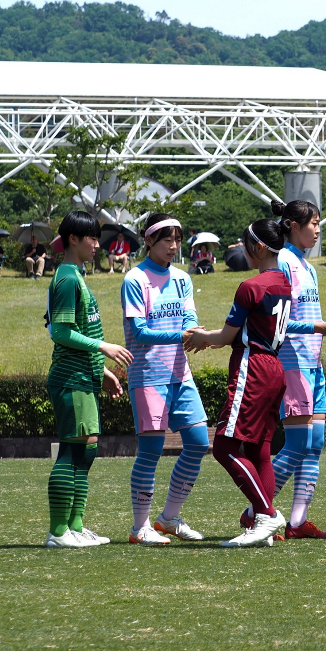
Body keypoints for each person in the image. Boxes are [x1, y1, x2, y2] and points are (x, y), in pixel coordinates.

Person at [183, 218, 326, 547]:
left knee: (223, 447)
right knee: (261, 450)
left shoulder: (251, 286)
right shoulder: (285, 284)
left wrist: (201, 337)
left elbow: (228, 335)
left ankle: (265, 513)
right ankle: (268, 523)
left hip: (253, 367)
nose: (242, 252)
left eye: (245, 246)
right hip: (275, 367)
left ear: (259, 248)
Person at [263, 199, 326, 540]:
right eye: (313, 223)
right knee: (298, 443)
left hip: (312, 365)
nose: (318, 229)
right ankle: (257, 509)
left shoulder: (307, 266)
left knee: (314, 444)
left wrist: (324, 330)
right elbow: (277, 324)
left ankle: (298, 523)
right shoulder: (283, 261)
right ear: (292, 226)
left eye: (318, 222)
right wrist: (320, 328)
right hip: (291, 363)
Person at [44, 211, 132, 548]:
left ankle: (75, 527)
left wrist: (102, 371)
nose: (98, 244)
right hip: (71, 378)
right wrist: (105, 348)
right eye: (91, 238)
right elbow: (62, 332)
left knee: (87, 451)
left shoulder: (76, 275)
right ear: (73, 241)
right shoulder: (66, 278)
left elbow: (80, 329)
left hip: (86, 376)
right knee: (72, 450)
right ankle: (58, 531)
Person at [120, 213, 210, 546]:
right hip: (147, 376)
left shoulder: (182, 278)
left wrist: (196, 331)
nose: (173, 247)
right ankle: (139, 527)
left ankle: (168, 518)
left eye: (177, 240)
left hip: (179, 374)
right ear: (149, 241)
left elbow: (190, 316)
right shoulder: (134, 279)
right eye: (166, 240)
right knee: (151, 451)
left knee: (200, 442)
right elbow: (140, 332)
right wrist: (183, 334)